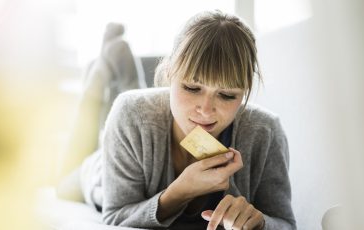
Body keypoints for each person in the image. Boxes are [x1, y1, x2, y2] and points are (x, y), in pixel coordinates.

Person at [84, 10, 296, 230]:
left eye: (227, 95)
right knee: (66, 177)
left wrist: (260, 223)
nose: (206, 111)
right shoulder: (131, 113)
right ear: (169, 73)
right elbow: (114, 218)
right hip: (98, 171)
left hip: (146, 118)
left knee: (136, 100)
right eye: (192, 88)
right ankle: (98, 79)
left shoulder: (266, 131)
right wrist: (180, 192)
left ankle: (121, 68)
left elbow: (286, 223)